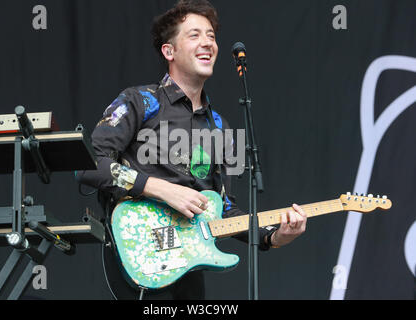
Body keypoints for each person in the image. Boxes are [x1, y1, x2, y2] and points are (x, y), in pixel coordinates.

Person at [77, 0, 307, 300]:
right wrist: (157, 187)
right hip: (140, 254)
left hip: (189, 267)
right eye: (195, 35)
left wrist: (274, 236)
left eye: (211, 36)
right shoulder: (140, 101)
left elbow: (224, 208)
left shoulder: (221, 127)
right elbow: (89, 164)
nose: (208, 43)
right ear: (169, 51)